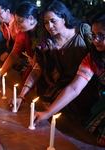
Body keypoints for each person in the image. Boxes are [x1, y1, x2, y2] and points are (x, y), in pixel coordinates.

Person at [10, 0, 98, 112]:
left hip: (86, 82)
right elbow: (36, 70)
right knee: (47, 101)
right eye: (46, 22)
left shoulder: (82, 31)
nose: (49, 26)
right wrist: (21, 95)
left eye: (53, 21)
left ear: (64, 18)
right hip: (62, 85)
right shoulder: (47, 45)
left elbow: (98, 54)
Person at [34, 9, 105, 146]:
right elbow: (74, 87)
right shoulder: (92, 58)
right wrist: (47, 113)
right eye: (94, 35)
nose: (95, 40)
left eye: (101, 35)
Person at [0, 1, 42, 86]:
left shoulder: (45, 32)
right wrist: (0, 74)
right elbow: (14, 54)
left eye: (20, 21)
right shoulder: (23, 33)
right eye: (16, 22)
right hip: (36, 67)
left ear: (31, 18)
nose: (17, 25)